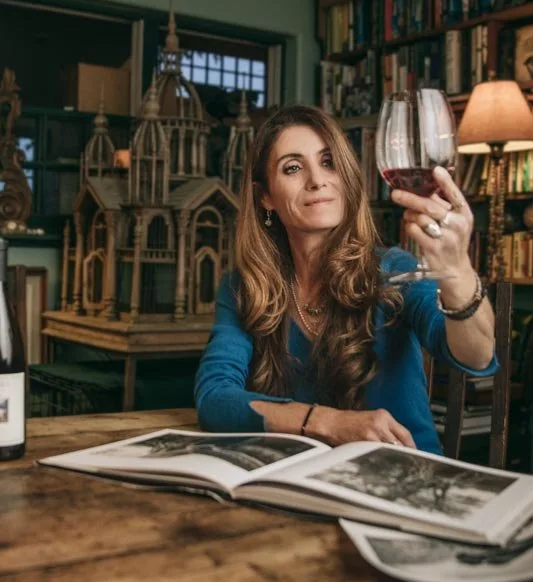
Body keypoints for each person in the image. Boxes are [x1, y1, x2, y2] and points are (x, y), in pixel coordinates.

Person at [194, 105, 496, 455]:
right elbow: (214, 398)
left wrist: (457, 272)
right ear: (265, 197)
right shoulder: (243, 288)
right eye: (293, 168)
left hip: (405, 480)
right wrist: (328, 423)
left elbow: (476, 356)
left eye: (328, 162)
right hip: (302, 486)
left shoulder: (395, 269)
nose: (317, 180)